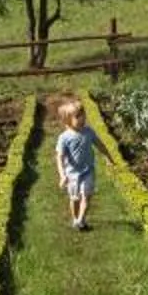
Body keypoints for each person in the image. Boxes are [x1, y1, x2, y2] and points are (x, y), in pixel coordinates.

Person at [52, 98, 98, 230]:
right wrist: (62, 175)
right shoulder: (64, 137)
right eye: (78, 116)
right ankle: (75, 219)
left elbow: (98, 143)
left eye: (83, 114)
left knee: (87, 195)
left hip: (88, 171)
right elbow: (59, 157)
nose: (82, 118)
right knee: (75, 198)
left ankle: (81, 219)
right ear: (67, 120)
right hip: (72, 174)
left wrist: (108, 157)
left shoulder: (88, 131)